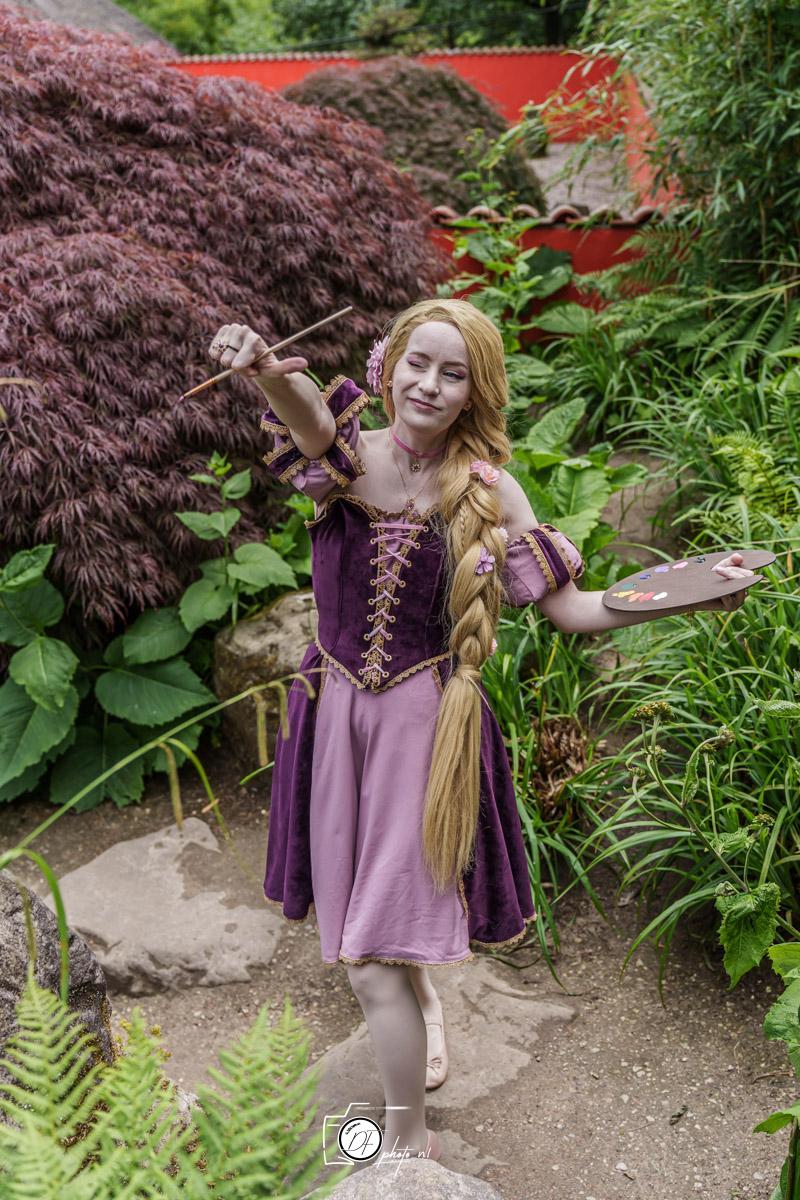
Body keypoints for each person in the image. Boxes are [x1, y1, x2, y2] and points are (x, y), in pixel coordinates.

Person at [208, 298, 753, 1167]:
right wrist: (269, 371)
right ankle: (423, 1008)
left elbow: (572, 608)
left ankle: (405, 1146)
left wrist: (683, 591)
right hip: (336, 716)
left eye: (453, 373)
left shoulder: (492, 490)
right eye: (417, 363)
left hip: (427, 732)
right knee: (371, 916)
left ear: (477, 390)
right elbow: (306, 417)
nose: (429, 385)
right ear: (387, 368)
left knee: (369, 959)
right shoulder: (347, 456)